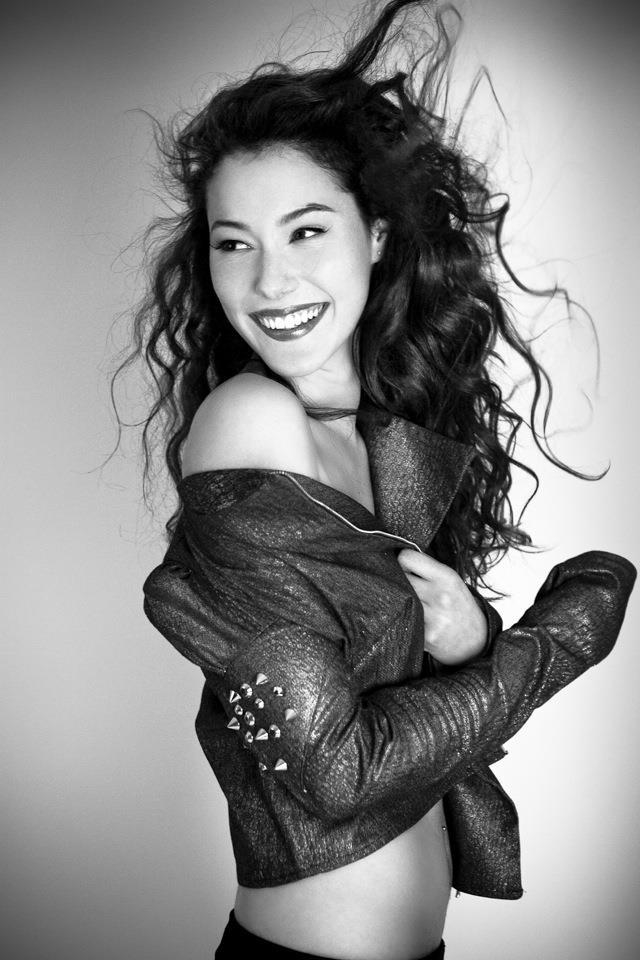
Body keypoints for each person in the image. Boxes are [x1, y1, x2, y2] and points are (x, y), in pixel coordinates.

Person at [116, 1, 636, 957]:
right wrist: (560, 640)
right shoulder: (251, 422)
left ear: (379, 237)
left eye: (305, 231)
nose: (270, 282)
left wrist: (474, 641)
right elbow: (339, 773)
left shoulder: (381, 441)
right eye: (234, 242)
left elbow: (432, 716)